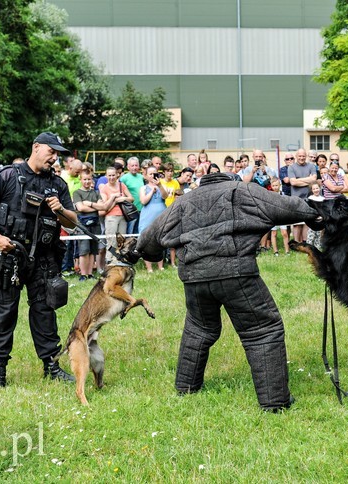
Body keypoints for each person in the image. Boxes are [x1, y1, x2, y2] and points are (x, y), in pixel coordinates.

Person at [136, 171, 322, 412]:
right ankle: (275, 402)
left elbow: (148, 239)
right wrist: (320, 216)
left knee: (199, 329)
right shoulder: (242, 190)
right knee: (262, 330)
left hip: (194, 279)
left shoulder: (182, 202)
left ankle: (186, 387)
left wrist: (151, 255)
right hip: (236, 272)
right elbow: (294, 208)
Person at [0, 132, 78, 393]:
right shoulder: (7, 176)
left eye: (57, 154)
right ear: (36, 147)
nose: (54, 157)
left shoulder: (58, 185)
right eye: (51, 151)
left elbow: (72, 222)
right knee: (4, 314)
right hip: (9, 257)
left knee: (45, 312)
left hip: (44, 259)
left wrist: (60, 211)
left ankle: (51, 366)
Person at [74, 171, 115, 280]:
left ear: (92, 180)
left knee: (93, 250)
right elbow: (81, 208)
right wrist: (96, 207)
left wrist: (91, 204)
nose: (87, 182)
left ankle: (90, 273)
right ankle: (83, 274)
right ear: (81, 180)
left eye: (89, 179)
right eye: (84, 179)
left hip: (95, 224)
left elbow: (103, 207)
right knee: (84, 250)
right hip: (83, 225)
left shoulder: (96, 192)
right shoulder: (77, 193)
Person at [99, 164, 134, 264]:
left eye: (113, 175)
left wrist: (123, 199)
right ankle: (110, 261)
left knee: (121, 240)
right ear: (106, 176)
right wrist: (115, 198)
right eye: (109, 175)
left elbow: (131, 198)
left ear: (117, 175)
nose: (111, 177)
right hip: (110, 217)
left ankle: (119, 260)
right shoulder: (104, 188)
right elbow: (106, 205)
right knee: (111, 241)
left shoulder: (121, 185)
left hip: (123, 216)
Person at [138, 166, 169, 272]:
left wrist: (159, 185)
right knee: (147, 240)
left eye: (154, 173)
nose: (152, 176)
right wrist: (151, 191)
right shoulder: (143, 188)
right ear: (146, 176)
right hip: (148, 215)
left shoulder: (162, 185)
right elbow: (143, 201)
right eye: (150, 174)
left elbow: (165, 196)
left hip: (161, 215)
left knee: (160, 240)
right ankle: (149, 267)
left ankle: (161, 265)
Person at [288, 148, 317, 242]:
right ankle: (297, 243)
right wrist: (308, 180)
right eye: (300, 156)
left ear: (306, 156)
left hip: (309, 198)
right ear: (296, 157)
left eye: (303, 156)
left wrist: (298, 180)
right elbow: (293, 183)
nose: (302, 158)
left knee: (307, 222)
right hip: (296, 199)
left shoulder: (311, 166)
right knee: (296, 223)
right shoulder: (291, 167)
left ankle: (305, 242)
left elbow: (314, 180)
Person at [119, 157, 145, 234]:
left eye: (136, 165)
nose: (134, 167)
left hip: (142, 209)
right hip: (131, 211)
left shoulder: (141, 177)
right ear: (128, 167)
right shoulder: (124, 178)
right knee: (131, 233)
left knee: (139, 232)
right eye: (132, 165)